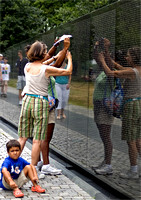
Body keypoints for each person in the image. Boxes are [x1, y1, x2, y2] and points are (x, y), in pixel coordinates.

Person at [18, 38, 73, 168]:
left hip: (27, 101)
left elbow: (46, 61)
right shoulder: (46, 70)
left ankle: (12, 164)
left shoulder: (27, 66)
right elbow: (68, 71)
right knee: (37, 139)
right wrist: (68, 57)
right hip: (39, 101)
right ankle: (33, 170)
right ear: (42, 53)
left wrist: (56, 54)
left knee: (22, 138)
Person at [98, 41, 141, 179]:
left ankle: (133, 170)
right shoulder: (136, 70)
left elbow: (111, 72)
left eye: (128, 56)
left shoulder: (132, 72)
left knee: (131, 140)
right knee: (138, 139)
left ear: (134, 57)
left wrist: (101, 61)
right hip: (139, 104)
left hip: (131, 106)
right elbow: (117, 66)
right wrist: (107, 55)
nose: (126, 58)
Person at [91, 39, 114, 175]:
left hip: (106, 108)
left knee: (106, 137)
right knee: (103, 136)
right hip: (99, 106)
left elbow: (107, 63)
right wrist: (97, 46)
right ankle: (106, 162)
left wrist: (106, 51)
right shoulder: (103, 70)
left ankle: (108, 165)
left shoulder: (112, 73)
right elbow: (97, 58)